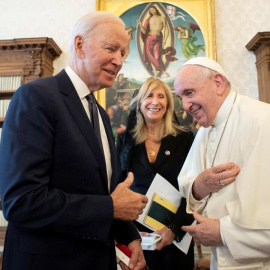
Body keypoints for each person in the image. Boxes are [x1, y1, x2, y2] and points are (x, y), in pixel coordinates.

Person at [0, 12, 149, 270]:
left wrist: (129, 236)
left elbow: (103, 192)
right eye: (111, 48)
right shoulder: (36, 97)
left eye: (123, 53)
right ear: (80, 45)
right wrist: (111, 208)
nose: (119, 60)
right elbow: (21, 201)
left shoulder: (100, 114)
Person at [174, 57, 270, 269]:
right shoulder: (205, 130)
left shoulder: (264, 120)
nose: (185, 105)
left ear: (218, 83)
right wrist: (200, 186)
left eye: (189, 93)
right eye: (180, 97)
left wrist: (223, 233)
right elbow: (188, 185)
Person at [116, 77, 195, 270]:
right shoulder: (125, 139)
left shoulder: (185, 139)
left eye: (161, 96)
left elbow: (194, 189)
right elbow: (116, 188)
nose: (155, 101)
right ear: (140, 102)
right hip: (137, 238)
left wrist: (174, 230)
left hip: (175, 236)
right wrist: (128, 233)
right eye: (149, 95)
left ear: (168, 104)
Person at [137, 6, 170, 77]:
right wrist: (140, 25)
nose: (152, 11)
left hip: (157, 39)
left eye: (153, 9)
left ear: (156, 9)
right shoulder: (149, 19)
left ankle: (163, 71)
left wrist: (165, 40)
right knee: (150, 56)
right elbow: (144, 32)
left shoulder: (162, 18)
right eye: (150, 10)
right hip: (148, 39)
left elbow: (167, 30)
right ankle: (155, 73)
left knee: (157, 56)